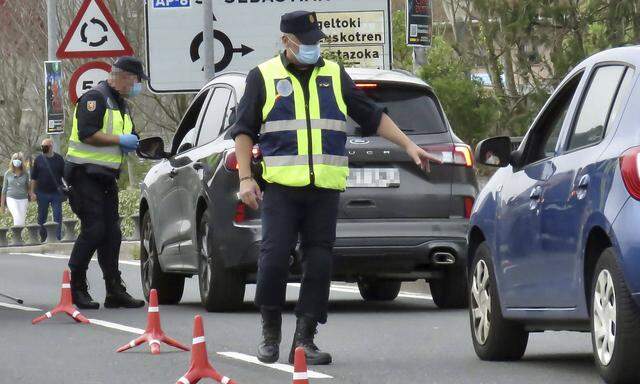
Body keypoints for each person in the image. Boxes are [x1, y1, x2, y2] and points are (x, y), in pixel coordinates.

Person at [231, 11, 441, 365]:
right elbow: (244, 129)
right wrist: (246, 178)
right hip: (282, 188)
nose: (314, 46)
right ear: (287, 41)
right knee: (274, 257)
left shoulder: (333, 74)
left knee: (320, 262)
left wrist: (408, 145)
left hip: (324, 189)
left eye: (316, 40)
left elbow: (371, 115)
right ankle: (270, 331)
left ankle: (305, 338)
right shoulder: (263, 77)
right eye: (306, 41)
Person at [64, 56, 147, 310]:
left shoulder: (120, 104)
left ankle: (114, 289)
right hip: (83, 174)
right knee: (95, 228)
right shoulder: (95, 98)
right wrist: (119, 140)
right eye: (135, 81)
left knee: (112, 233)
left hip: (106, 176)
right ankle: (75, 287)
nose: (137, 86)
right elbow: (88, 135)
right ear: (123, 77)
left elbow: (129, 136)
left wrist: (136, 142)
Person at [30, 138, 65, 241]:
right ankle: (43, 237)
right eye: (42, 146)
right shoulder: (38, 160)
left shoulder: (59, 159)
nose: (43, 148)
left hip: (56, 193)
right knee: (41, 217)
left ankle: (57, 238)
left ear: (51, 146)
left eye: (46, 146)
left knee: (57, 215)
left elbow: (64, 175)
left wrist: (67, 187)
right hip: (41, 193)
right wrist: (32, 192)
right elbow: (33, 177)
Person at [1, 153, 30, 226]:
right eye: (15, 159)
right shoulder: (8, 173)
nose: (17, 161)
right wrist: (2, 206)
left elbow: (28, 188)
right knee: (17, 217)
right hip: (11, 198)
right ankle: (17, 236)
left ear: (22, 161)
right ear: (12, 161)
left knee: (22, 220)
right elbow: (4, 190)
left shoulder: (25, 174)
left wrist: (32, 194)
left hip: (23, 199)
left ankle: (19, 236)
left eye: (19, 159)